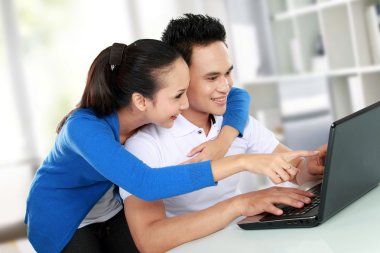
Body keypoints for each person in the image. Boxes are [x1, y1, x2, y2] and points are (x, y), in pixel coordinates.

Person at [24, 39, 313, 253]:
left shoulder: (141, 108)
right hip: (65, 218)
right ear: (141, 101)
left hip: (110, 208)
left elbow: (236, 96)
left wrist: (223, 141)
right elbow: (146, 184)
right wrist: (242, 162)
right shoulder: (83, 128)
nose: (186, 104)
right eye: (178, 96)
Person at [119, 14, 327, 253]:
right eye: (212, 77)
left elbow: (293, 170)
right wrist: (238, 205)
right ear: (180, 78)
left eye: (227, 73)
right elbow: (150, 239)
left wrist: (311, 167)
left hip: (242, 239)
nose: (225, 86)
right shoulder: (145, 144)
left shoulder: (236, 121)